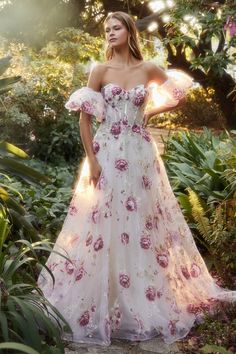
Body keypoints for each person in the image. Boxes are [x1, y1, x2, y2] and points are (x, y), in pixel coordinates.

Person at [38, 11, 236, 347]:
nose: (110, 32)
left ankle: (141, 301)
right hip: (107, 154)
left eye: (116, 27)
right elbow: (85, 121)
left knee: (143, 221)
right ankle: (105, 302)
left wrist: (151, 111)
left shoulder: (148, 69)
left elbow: (178, 93)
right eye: (107, 29)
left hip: (141, 155)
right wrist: (92, 160)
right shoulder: (99, 71)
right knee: (103, 220)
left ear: (130, 31)